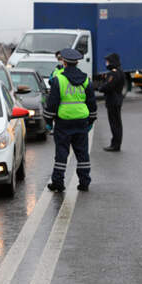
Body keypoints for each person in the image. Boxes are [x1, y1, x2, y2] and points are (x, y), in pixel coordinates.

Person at [43, 48, 97, 192]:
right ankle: (84, 182)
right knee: (82, 153)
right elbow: (92, 102)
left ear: (64, 63)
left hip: (64, 121)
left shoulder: (58, 80)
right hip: (81, 120)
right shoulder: (86, 79)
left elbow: (52, 103)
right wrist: (91, 120)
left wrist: (48, 121)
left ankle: (58, 183)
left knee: (61, 153)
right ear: (77, 63)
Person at [98, 53, 125, 152]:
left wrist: (100, 88)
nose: (106, 63)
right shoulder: (120, 71)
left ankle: (115, 145)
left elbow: (108, 86)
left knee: (115, 124)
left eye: (108, 61)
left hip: (113, 101)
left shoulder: (113, 73)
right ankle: (116, 143)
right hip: (117, 99)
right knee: (117, 123)